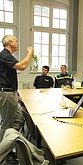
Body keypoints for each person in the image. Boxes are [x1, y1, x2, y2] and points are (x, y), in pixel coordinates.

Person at [0, 35, 34, 163]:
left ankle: (8, 145)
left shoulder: (7, 56)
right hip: (6, 95)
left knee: (19, 118)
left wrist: (16, 94)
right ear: (9, 43)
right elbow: (22, 66)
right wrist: (30, 53)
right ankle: (3, 154)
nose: (17, 43)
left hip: (11, 93)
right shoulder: (4, 54)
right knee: (7, 125)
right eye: (15, 41)